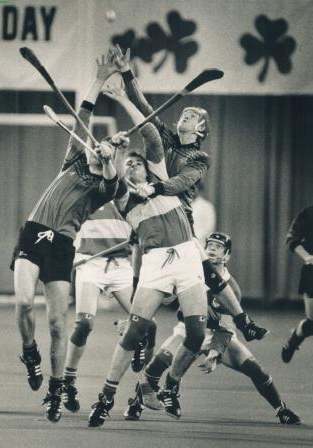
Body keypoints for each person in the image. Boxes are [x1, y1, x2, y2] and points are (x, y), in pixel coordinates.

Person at [109, 44, 268, 343]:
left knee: (203, 271)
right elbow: (143, 107)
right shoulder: (166, 138)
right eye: (183, 112)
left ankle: (238, 321)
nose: (185, 115)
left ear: (202, 128)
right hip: (148, 212)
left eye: (192, 115)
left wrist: (155, 187)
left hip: (178, 216)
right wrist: (126, 72)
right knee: (143, 268)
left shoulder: (200, 158)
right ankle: (238, 321)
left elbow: (181, 182)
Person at [88, 80, 208, 427]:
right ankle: (106, 397)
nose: (133, 167)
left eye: (136, 163)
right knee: (134, 333)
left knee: (197, 335)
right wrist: (109, 159)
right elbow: (110, 176)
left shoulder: (160, 171)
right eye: (129, 166)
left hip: (186, 255)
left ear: (147, 165)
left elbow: (152, 135)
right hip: (156, 264)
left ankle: (157, 385)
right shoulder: (122, 197)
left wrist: (125, 97)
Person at [10, 55, 120, 423]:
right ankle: (29, 352)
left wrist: (109, 160)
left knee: (58, 324)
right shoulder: (72, 161)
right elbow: (83, 114)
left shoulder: (103, 188)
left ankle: (54, 392)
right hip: (34, 231)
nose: (95, 146)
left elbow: (111, 179)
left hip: (62, 245)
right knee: (24, 303)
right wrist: (101, 77)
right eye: (94, 146)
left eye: (101, 148)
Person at [126, 232, 301, 425]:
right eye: (209, 245)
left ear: (227, 256)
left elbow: (225, 327)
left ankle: (281, 409)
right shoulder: (191, 273)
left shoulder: (231, 289)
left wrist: (214, 354)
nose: (211, 249)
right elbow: (165, 297)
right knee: (156, 366)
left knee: (256, 370)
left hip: (216, 333)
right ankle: (137, 403)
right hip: (187, 330)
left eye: (218, 247)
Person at [62, 200, 157, 411]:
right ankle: (68, 382)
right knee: (84, 324)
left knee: (149, 326)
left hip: (121, 267)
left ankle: (146, 384)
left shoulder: (128, 199)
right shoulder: (85, 196)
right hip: (89, 264)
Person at [282, 205, 313, 363]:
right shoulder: (308, 213)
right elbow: (292, 239)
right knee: (312, 323)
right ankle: (295, 339)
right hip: (312, 273)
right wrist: (308, 257)